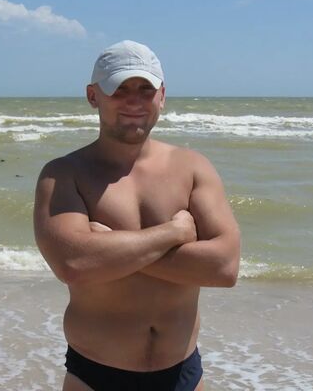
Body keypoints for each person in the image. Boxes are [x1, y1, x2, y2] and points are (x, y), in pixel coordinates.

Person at [34, 40, 241, 391]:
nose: (134, 101)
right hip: (95, 376)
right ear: (93, 96)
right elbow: (72, 265)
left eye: (146, 90)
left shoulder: (192, 167)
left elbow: (224, 268)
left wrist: (107, 249)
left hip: (182, 375)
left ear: (162, 96)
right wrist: (173, 233)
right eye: (119, 89)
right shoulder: (63, 174)